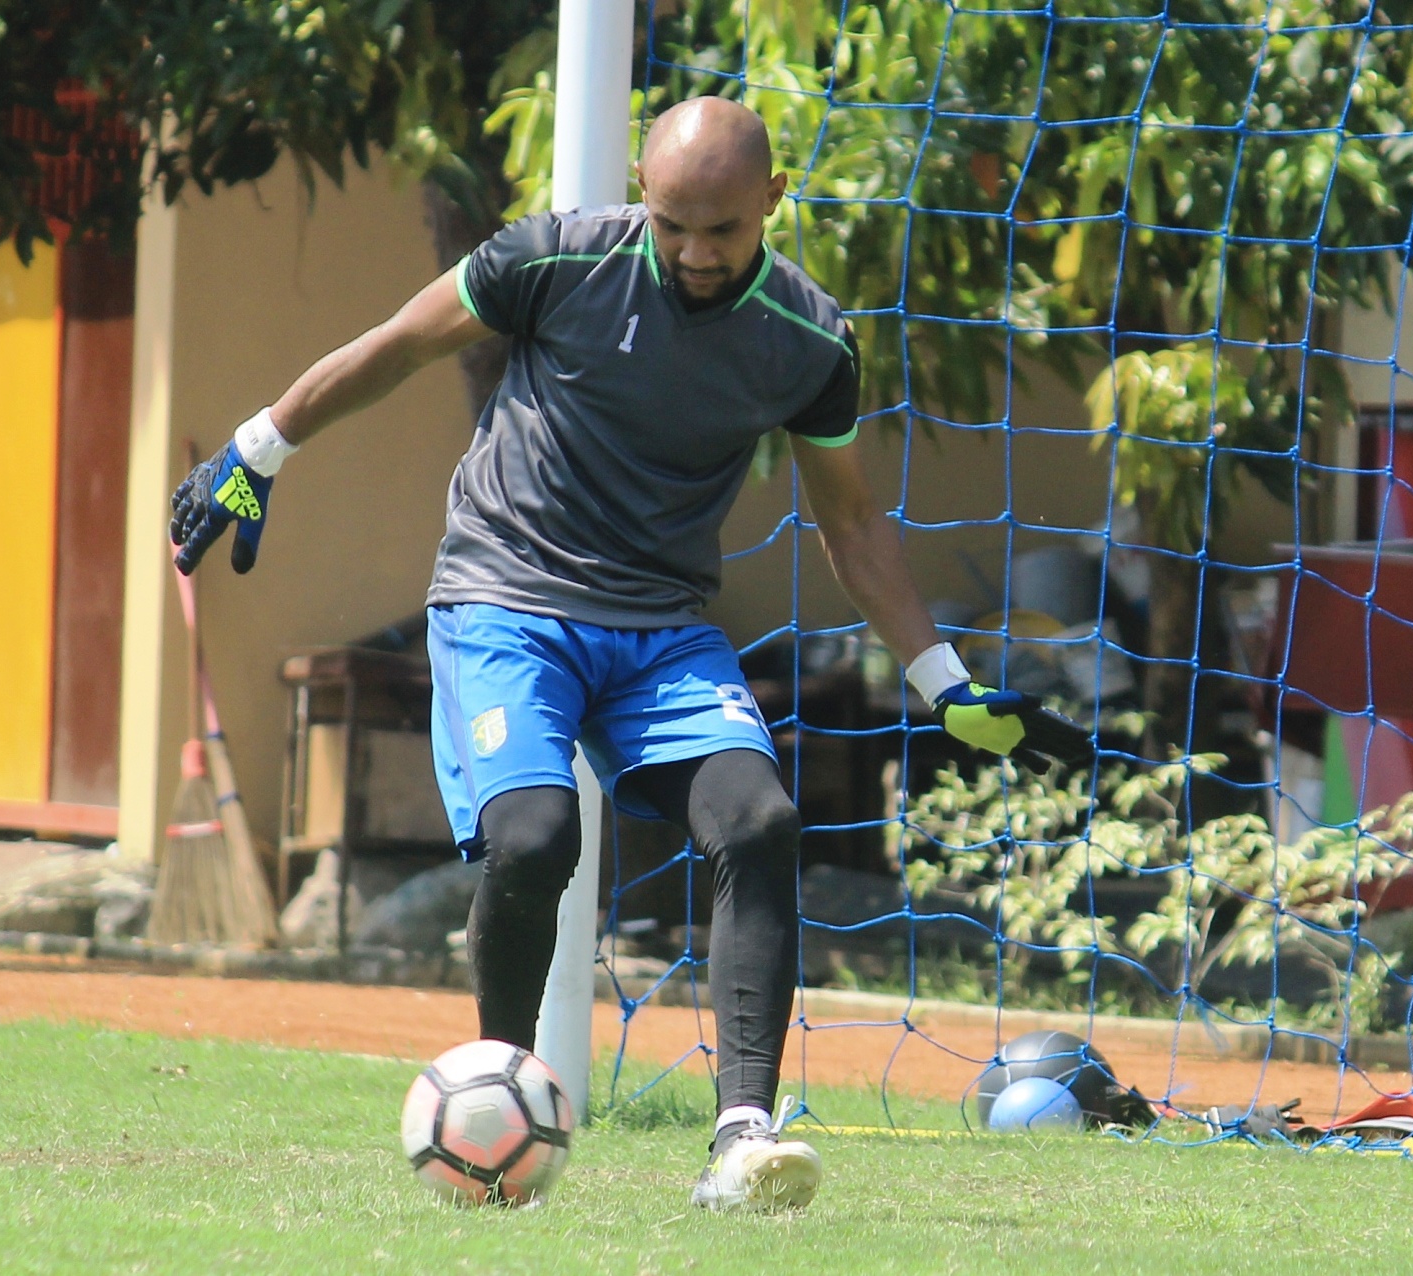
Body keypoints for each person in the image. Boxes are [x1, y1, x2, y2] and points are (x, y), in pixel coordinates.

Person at [169, 97, 1090, 1213]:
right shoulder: (552, 260)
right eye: (673, 225)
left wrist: (941, 681)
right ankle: (496, 1103)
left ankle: (743, 1136)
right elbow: (395, 348)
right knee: (533, 838)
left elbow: (848, 523)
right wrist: (262, 446)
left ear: (772, 204)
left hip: (661, 632)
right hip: (507, 599)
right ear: (639, 199)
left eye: (724, 230)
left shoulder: (806, 338)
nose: (697, 254)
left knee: (759, 821)